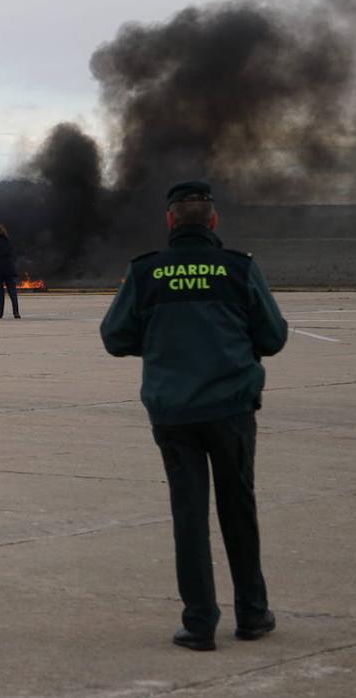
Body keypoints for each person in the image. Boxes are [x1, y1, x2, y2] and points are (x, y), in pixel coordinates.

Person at [100, 180, 287, 652]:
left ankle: (199, 623)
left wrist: (161, 340)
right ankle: (251, 614)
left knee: (189, 515)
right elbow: (273, 336)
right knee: (238, 509)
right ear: (214, 221)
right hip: (231, 410)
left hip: (174, 411)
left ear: (169, 221)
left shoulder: (146, 273)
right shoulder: (238, 269)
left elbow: (115, 337)